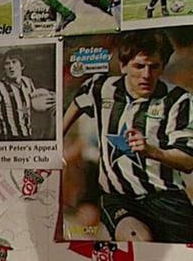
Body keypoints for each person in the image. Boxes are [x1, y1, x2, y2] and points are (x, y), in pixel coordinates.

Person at [63, 31, 193, 242]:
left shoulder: (179, 101)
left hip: (166, 199)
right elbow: (74, 108)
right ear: (124, 66)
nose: (146, 75)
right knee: (137, 239)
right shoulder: (101, 88)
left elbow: (188, 162)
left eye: (154, 67)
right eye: (139, 66)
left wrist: (152, 151)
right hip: (120, 199)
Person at [0, 48, 55, 140]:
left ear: (22, 65)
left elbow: (35, 100)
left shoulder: (27, 82)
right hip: (8, 140)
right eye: (7, 63)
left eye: (14, 62)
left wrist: (53, 98)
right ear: (4, 68)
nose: (11, 66)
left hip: (28, 138)